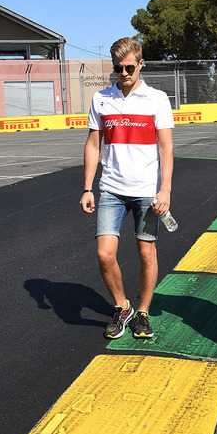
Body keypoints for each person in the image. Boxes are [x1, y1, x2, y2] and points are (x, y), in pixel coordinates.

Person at [80, 37, 175, 340]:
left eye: (130, 67)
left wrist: (165, 191)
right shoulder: (101, 99)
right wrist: (87, 188)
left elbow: (166, 148)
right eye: (118, 68)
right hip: (110, 189)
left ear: (141, 64)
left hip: (147, 190)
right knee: (105, 254)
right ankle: (123, 307)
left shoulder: (156, 99)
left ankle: (143, 311)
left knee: (146, 254)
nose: (124, 73)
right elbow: (94, 144)